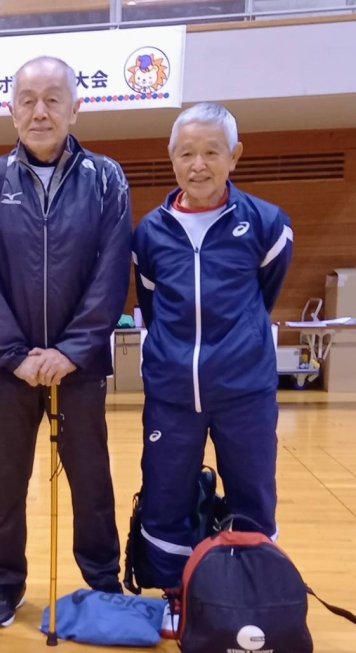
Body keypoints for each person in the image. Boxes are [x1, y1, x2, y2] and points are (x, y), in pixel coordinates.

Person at [0, 56, 132, 628]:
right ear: (11, 110)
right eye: (28, 100)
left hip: (79, 368)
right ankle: (7, 583)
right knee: (7, 482)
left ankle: (102, 579)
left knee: (92, 478)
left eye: (53, 98)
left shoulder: (106, 177)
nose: (40, 111)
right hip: (7, 370)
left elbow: (112, 270)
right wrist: (14, 355)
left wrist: (72, 351)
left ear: (75, 107)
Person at [131, 102, 293, 637]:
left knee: (252, 493)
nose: (197, 164)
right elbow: (152, 306)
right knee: (165, 495)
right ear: (171, 157)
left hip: (244, 391)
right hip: (171, 392)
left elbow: (264, 293)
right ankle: (175, 593)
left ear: (234, 156)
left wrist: (235, 345)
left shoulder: (267, 223)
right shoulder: (150, 233)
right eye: (186, 153)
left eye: (210, 152)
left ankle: (250, 594)